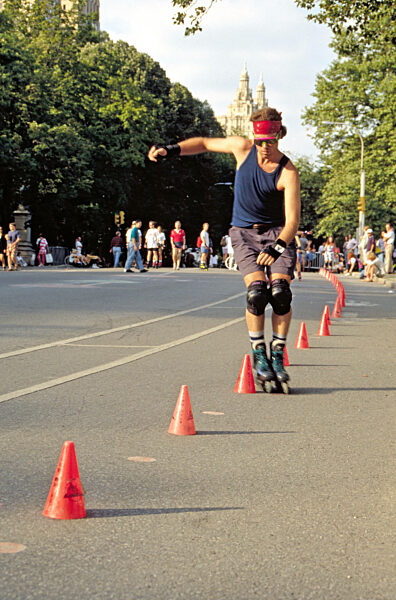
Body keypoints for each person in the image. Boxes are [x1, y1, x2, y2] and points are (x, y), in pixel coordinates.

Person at [148, 107, 300, 392]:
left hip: (278, 234)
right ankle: (259, 355)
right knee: (257, 294)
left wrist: (278, 248)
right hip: (243, 233)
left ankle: (277, 355)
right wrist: (169, 149)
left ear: (279, 136)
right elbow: (204, 143)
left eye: (270, 141)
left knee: (280, 293)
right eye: (259, 142)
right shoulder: (241, 149)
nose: (264, 148)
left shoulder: (288, 171)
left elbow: (293, 221)